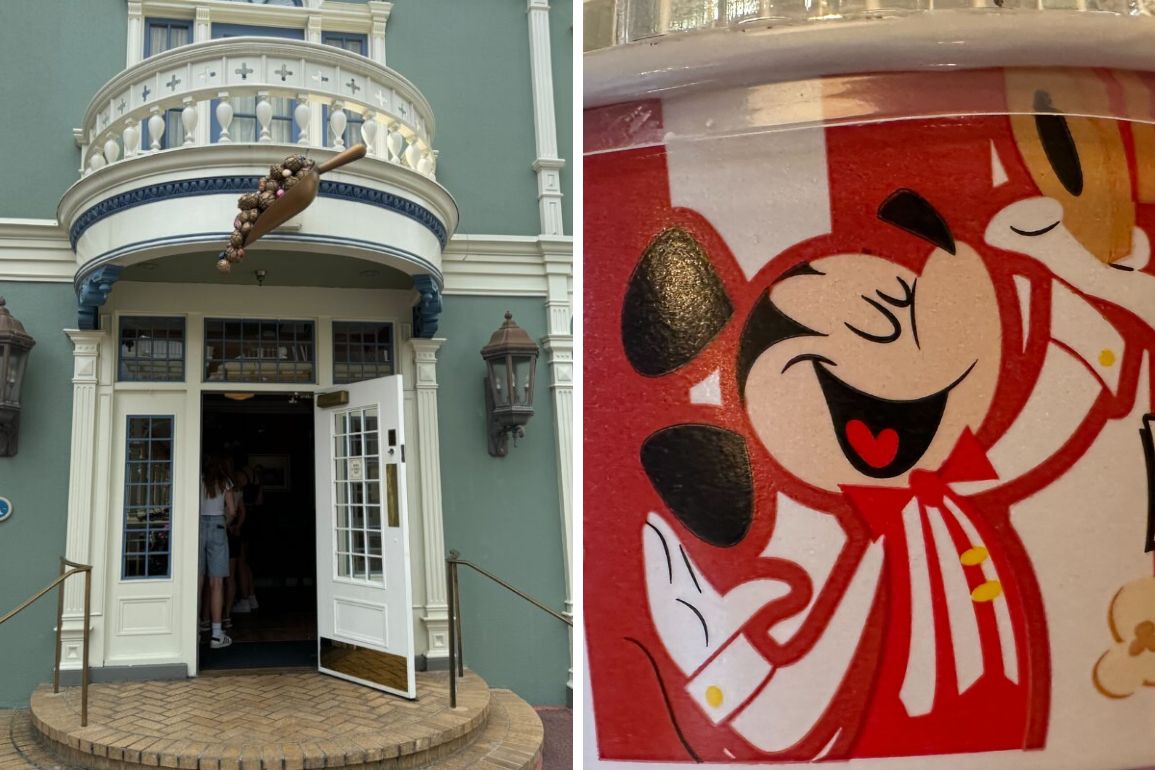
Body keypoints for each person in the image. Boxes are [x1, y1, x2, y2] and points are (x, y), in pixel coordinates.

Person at [199, 452, 235, 649]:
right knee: (217, 582)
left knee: (198, 580)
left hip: (199, 526)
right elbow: (232, 511)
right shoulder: (225, 482)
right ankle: (216, 634)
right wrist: (224, 524)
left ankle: (194, 629)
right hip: (218, 526)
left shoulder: (198, 480)